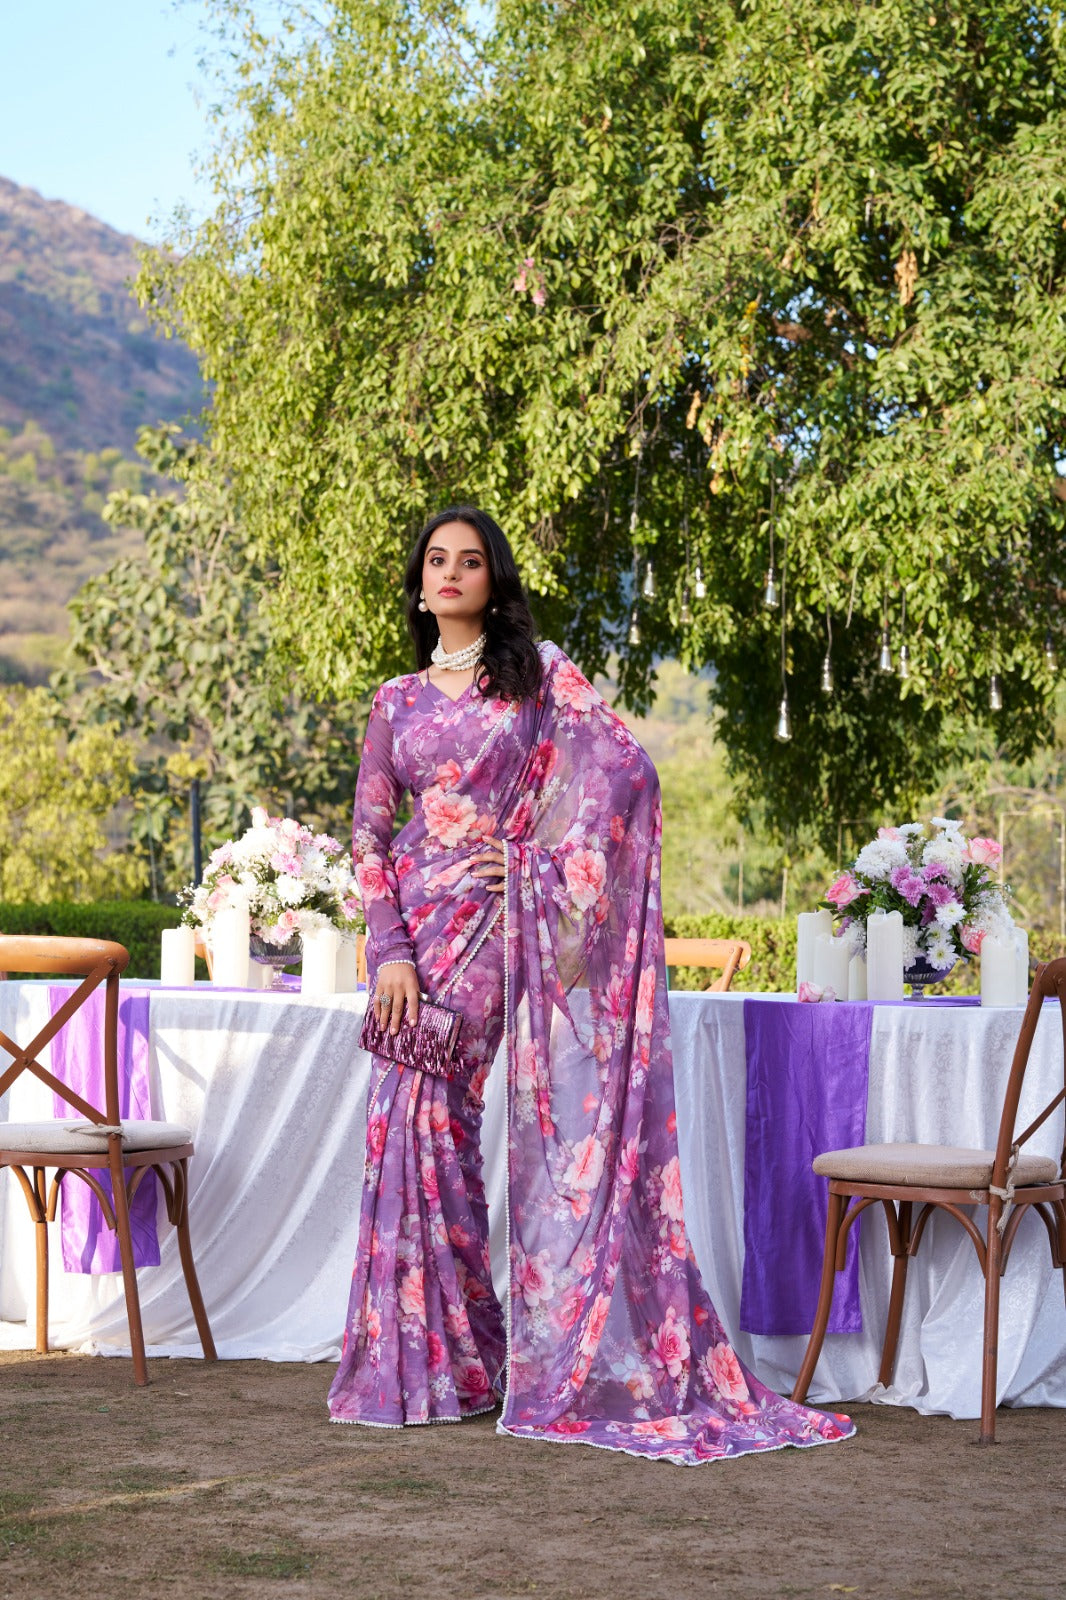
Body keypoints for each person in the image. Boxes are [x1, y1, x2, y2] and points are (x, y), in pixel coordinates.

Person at [327, 506, 854, 1463]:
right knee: (402, 1119)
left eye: (471, 561)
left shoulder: (537, 676)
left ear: (494, 580)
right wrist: (388, 946)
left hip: (496, 921)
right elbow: (368, 831)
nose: (451, 573)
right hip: (411, 929)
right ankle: (451, 1361)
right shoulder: (394, 699)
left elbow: (625, 772)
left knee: (436, 1108)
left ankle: (464, 1357)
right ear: (419, 583)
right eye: (437, 560)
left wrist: (535, 859)